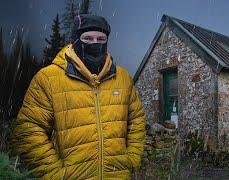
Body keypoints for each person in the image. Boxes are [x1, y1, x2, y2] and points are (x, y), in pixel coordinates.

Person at [11, 14, 146, 179]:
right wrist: (55, 174)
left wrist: (131, 159)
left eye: (100, 38)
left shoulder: (123, 78)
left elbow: (136, 119)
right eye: (87, 38)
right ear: (75, 40)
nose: (95, 43)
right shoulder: (48, 78)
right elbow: (28, 129)